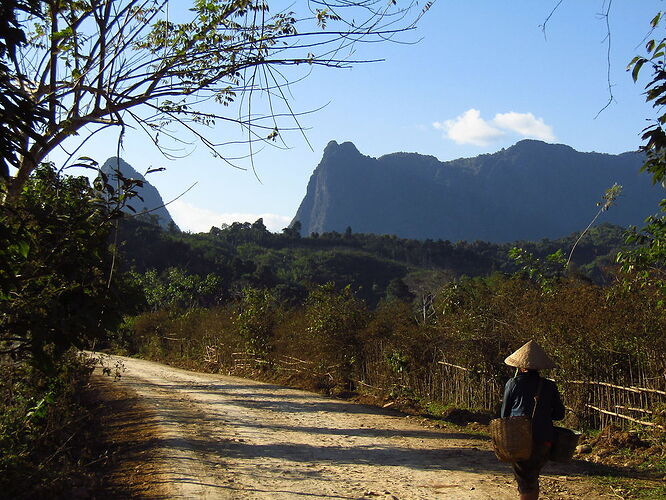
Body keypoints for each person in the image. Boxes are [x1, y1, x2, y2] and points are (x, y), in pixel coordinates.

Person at [501, 340, 565, 500]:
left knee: (525, 480)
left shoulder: (513, 383)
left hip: (519, 438)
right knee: (532, 476)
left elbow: (504, 415)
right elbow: (559, 414)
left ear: (521, 366)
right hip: (544, 439)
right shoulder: (549, 386)